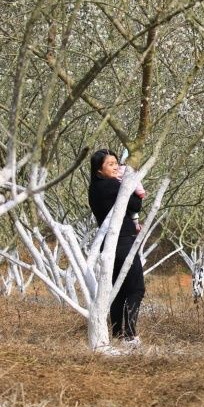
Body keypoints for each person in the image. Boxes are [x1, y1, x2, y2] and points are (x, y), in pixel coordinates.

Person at [88, 149, 147, 348]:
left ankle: (116, 333)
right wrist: (130, 184)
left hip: (111, 243)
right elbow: (136, 204)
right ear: (99, 171)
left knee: (119, 290)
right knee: (136, 288)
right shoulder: (112, 186)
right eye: (110, 164)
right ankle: (130, 335)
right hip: (123, 242)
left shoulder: (95, 188)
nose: (116, 167)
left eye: (116, 163)